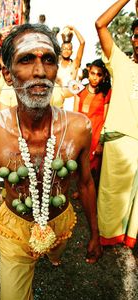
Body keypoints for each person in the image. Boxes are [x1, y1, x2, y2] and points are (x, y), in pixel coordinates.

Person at [0, 23, 102, 300]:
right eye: (27, 59)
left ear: (56, 71)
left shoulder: (79, 127)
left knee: (56, 251)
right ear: (7, 74)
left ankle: (53, 255)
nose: (40, 71)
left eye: (49, 60)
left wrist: (95, 233)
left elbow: (86, 183)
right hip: (14, 229)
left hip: (61, 222)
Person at [95, 0, 138, 248]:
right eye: (136, 36)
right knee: (111, 195)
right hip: (119, 141)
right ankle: (108, 237)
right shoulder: (121, 63)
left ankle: (131, 238)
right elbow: (100, 24)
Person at [74, 59, 111, 192]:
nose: (95, 77)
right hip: (83, 135)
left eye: (99, 75)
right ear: (88, 73)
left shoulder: (106, 93)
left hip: (96, 137)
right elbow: (75, 116)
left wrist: (101, 142)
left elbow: (106, 119)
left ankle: (92, 192)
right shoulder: (80, 92)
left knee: (94, 168)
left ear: (103, 76)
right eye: (93, 73)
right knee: (80, 164)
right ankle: (80, 190)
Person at [52, 25, 85, 110]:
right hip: (57, 101)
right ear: (60, 50)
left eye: (68, 49)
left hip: (71, 101)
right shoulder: (56, 64)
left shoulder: (74, 65)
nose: (66, 51)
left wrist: (74, 28)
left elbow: (82, 43)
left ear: (72, 51)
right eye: (64, 48)